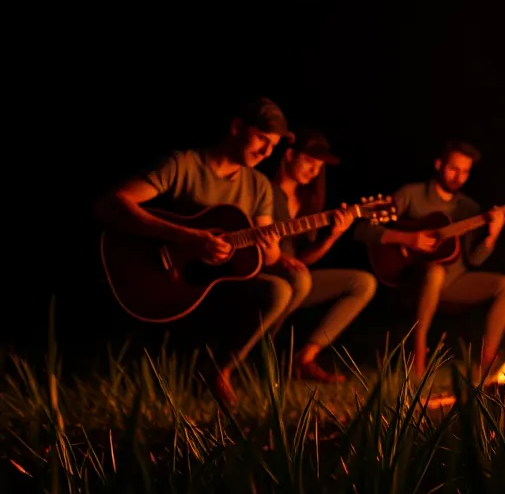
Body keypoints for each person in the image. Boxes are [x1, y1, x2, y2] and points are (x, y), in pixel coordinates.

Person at [93, 97, 293, 407]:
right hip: (165, 277)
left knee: (278, 289)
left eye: (274, 146)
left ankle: (217, 372)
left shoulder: (259, 186)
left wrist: (271, 247)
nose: (267, 152)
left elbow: (269, 256)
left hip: (214, 286)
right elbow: (112, 203)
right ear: (237, 127)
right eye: (262, 139)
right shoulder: (183, 164)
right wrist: (187, 237)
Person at [358, 140, 505, 380]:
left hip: (454, 283)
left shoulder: (468, 208)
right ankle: (418, 362)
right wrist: (407, 239)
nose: (459, 176)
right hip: (415, 280)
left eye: (465, 171)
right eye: (454, 168)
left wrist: (492, 235)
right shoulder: (411, 194)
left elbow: (473, 260)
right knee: (435, 272)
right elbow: (363, 230)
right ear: (438, 164)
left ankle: (486, 365)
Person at [267, 128, 378, 383]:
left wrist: (333, 235)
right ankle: (262, 357)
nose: (314, 170)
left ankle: (305, 358)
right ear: (289, 155)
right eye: (308, 161)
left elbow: (304, 259)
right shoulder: (265, 190)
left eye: (319, 165)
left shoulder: (308, 201)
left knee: (363, 282)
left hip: (296, 279)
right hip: (264, 274)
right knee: (299, 281)